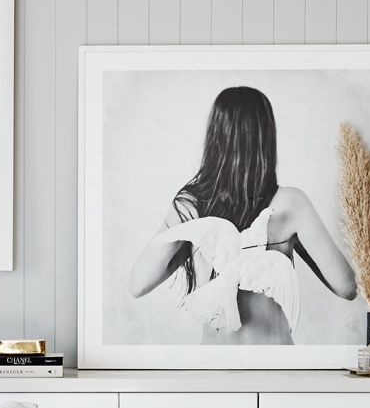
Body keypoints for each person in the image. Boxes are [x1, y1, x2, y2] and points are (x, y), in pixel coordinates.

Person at [127, 85, 356, 345]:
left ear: (214, 138)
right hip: (276, 367)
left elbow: (137, 284)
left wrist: (186, 235)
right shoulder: (291, 204)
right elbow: (347, 287)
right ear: (266, 137)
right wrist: (293, 241)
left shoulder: (192, 204)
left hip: (214, 371)